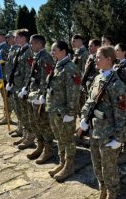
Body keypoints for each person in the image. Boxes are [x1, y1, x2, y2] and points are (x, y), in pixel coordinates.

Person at [78, 46, 126, 199]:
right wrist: (83, 118)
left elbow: (122, 115)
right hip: (94, 130)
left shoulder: (117, 84)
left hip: (109, 134)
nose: (96, 59)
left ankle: (112, 192)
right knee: (96, 163)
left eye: (99, 57)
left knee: (109, 167)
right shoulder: (97, 78)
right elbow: (89, 101)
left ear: (109, 59)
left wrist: (119, 138)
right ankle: (102, 188)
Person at [46, 40, 81, 182]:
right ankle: (62, 162)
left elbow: (74, 93)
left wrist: (71, 113)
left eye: (54, 50)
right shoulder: (58, 65)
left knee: (68, 139)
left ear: (63, 51)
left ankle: (69, 165)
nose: (52, 53)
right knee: (60, 138)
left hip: (64, 112)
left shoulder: (70, 68)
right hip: (55, 109)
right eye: (52, 50)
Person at [24, 34, 55, 165]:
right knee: (34, 122)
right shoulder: (37, 56)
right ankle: (40, 145)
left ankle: (48, 149)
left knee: (43, 123)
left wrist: (42, 95)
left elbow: (47, 78)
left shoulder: (46, 57)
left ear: (39, 44)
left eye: (32, 43)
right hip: (33, 95)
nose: (30, 46)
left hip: (40, 97)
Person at [6, 29, 36, 150]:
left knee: (25, 114)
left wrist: (25, 88)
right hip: (16, 87)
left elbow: (29, 72)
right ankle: (25, 135)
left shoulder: (28, 52)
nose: (15, 39)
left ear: (24, 38)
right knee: (19, 113)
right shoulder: (19, 50)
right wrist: (11, 82)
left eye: (17, 37)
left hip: (22, 89)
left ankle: (30, 137)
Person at [0, 30, 12, 125]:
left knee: (6, 97)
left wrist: (2, 62)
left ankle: (7, 116)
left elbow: (9, 62)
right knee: (3, 97)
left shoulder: (5, 47)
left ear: (1, 37)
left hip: (5, 76)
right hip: (1, 75)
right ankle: (5, 115)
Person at [71, 34, 89, 117]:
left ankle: (85, 125)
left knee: (82, 105)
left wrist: (81, 83)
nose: (72, 43)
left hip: (80, 84)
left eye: (74, 41)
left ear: (80, 41)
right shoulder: (77, 53)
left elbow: (85, 71)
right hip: (75, 83)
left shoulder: (84, 53)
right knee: (77, 105)